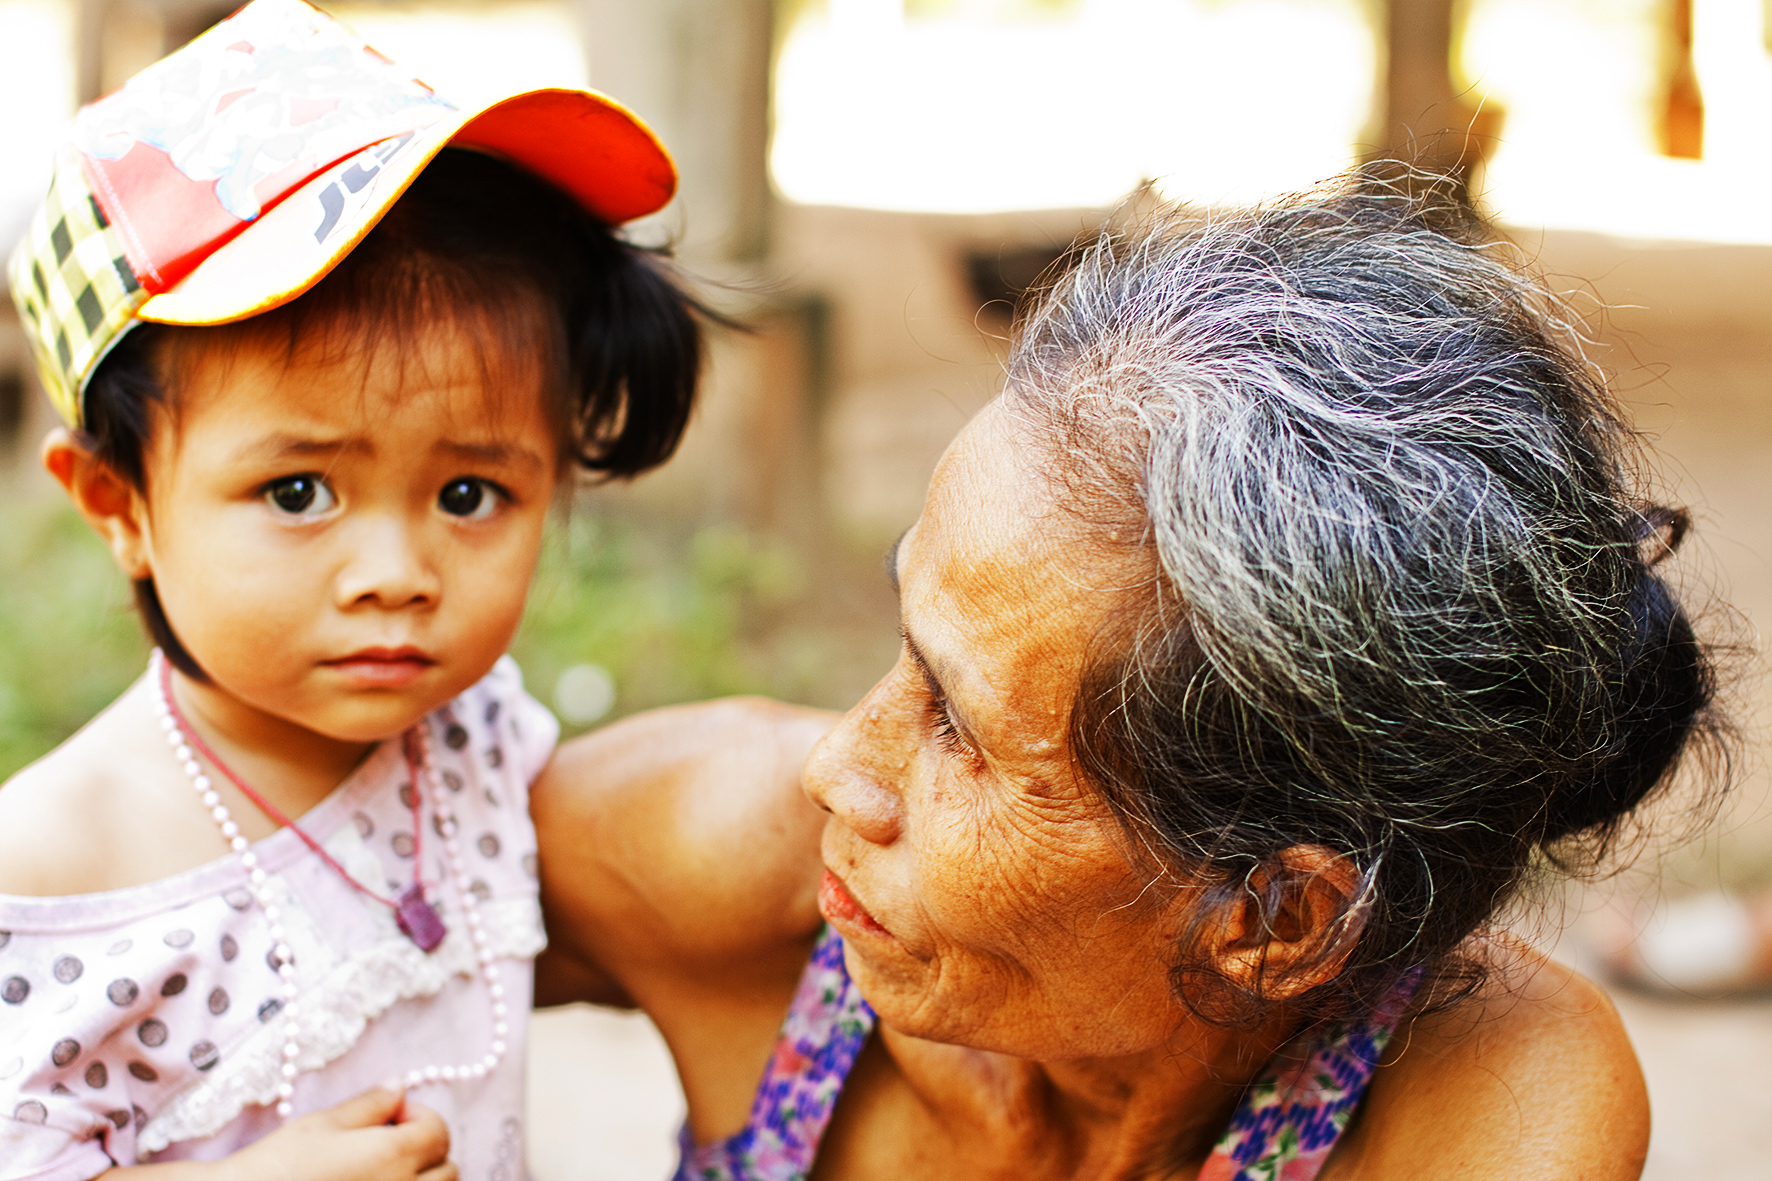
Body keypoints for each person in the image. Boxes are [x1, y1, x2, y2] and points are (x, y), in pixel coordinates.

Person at [534, 175, 1721, 1180]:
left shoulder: (1485, 1101)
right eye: (907, 640)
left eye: (962, 728)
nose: (834, 766)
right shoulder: (728, 851)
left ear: (1275, 917)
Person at [0, 1, 700, 1177]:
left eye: (471, 494)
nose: (397, 577)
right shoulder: (55, 872)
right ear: (120, 503)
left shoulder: (471, 748)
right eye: (296, 492)